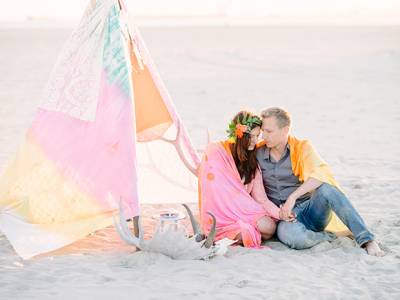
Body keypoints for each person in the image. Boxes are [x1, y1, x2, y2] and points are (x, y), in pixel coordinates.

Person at [256, 107, 384, 256]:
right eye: (263, 131)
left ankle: (367, 240)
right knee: (293, 237)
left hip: (310, 210)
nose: (264, 136)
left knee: (327, 189)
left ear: (285, 130)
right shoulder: (257, 153)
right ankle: (333, 236)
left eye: (269, 131)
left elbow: (321, 174)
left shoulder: (302, 148)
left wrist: (293, 197)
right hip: (282, 217)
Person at [198, 111, 293, 248]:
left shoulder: (252, 162)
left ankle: (242, 232)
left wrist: (281, 214)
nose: (255, 141)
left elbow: (262, 200)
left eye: (257, 136)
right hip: (220, 215)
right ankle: (230, 233)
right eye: (251, 136)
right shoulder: (217, 151)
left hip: (243, 213)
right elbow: (214, 191)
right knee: (249, 233)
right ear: (239, 134)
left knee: (269, 227)